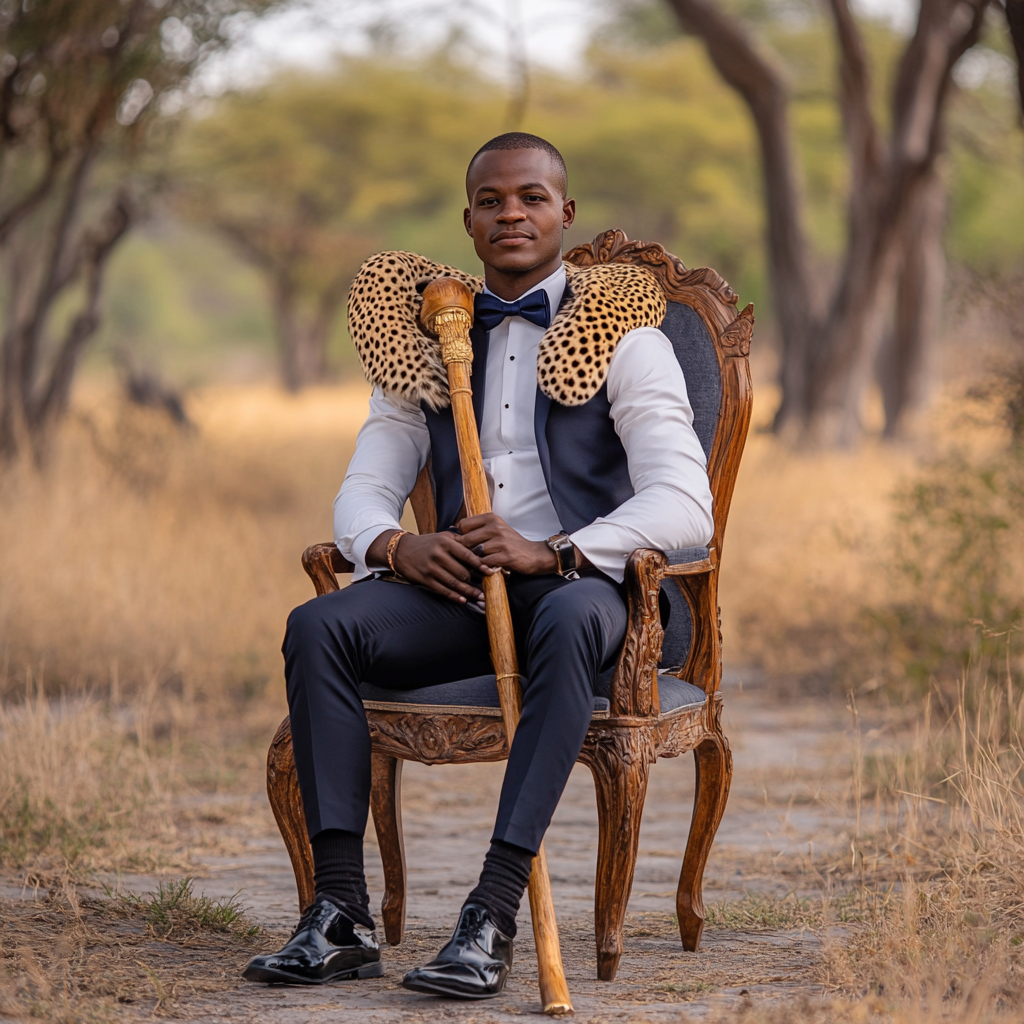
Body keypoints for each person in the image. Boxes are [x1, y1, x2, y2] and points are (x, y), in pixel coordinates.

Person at [242, 132, 714, 1000]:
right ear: (469, 222)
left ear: (565, 213)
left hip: (589, 590)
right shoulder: (424, 342)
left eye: (532, 197)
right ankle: (339, 912)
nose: (512, 214)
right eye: (492, 201)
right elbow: (363, 491)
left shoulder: (626, 339)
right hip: (461, 594)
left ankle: (491, 913)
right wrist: (395, 547)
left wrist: (556, 551)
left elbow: (687, 507)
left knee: (569, 618)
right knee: (319, 626)